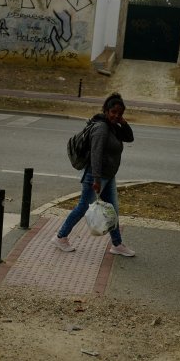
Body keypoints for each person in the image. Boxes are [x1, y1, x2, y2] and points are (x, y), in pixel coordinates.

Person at [51, 92, 136, 256]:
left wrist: (122, 121)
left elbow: (129, 137)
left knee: (113, 211)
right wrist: (96, 179)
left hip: (108, 176)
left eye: (120, 113)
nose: (116, 115)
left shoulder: (112, 126)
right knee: (83, 207)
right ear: (106, 110)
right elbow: (96, 154)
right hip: (95, 176)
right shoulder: (101, 128)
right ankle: (60, 237)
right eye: (114, 112)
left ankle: (117, 244)